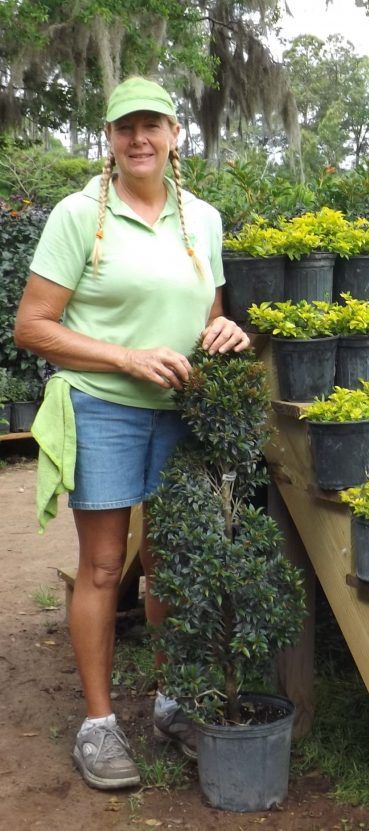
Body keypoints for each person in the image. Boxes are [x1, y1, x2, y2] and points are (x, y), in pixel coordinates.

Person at [13, 77, 250, 790]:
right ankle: (98, 724)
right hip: (102, 406)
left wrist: (226, 329)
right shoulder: (78, 215)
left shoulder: (202, 219)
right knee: (104, 565)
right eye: (125, 127)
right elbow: (32, 326)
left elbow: (208, 310)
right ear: (110, 139)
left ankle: (172, 703)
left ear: (176, 135)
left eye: (152, 125)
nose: (138, 138)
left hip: (180, 411)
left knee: (169, 562)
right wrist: (126, 357)